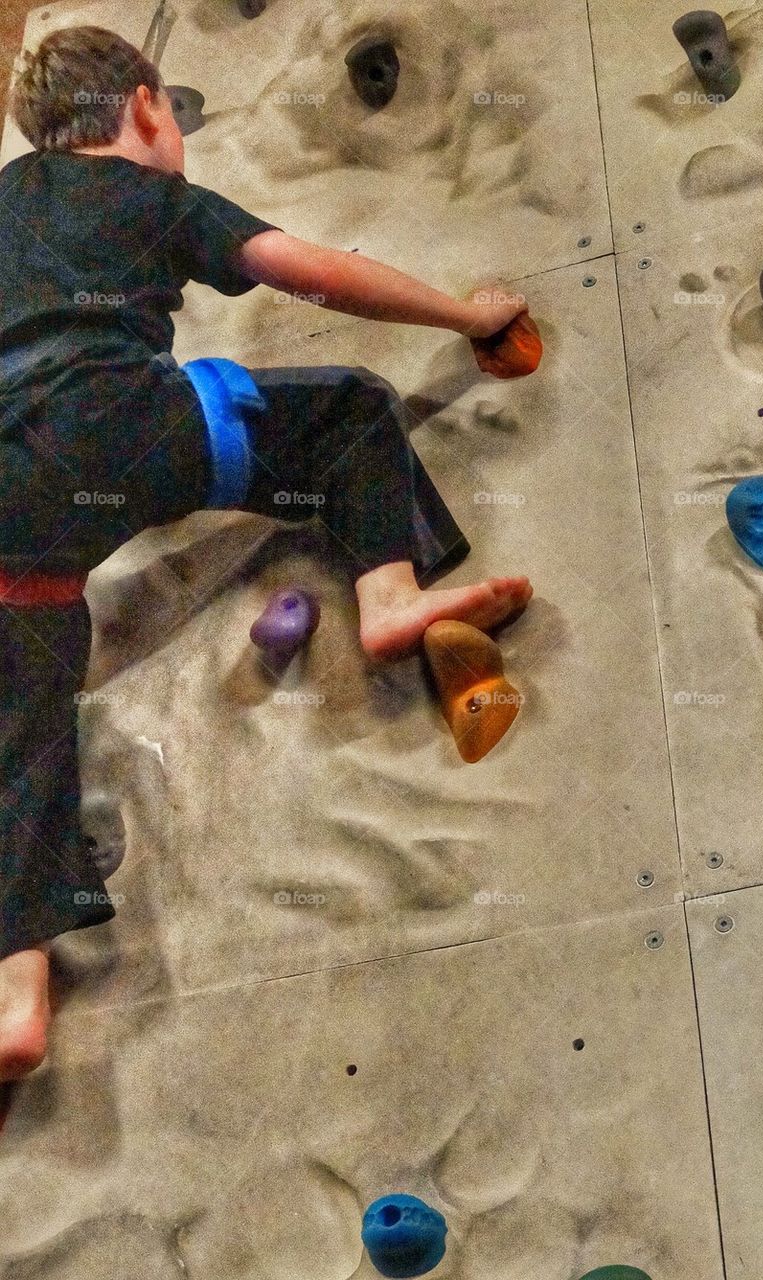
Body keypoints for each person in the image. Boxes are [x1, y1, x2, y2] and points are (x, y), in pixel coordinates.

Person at [0, 25, 533, 1087]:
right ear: (147, 108)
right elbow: (316, 274)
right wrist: (466, 312)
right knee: (342, 413)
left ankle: (15, 995)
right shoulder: (154, 200)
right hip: (109, 419)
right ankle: (387, 595)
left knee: (24, 721)